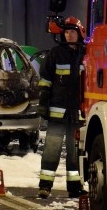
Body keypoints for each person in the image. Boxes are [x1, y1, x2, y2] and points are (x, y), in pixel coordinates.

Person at [36, 16, 86, 199]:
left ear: (79, 33)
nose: (69, 35)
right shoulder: (55, 54)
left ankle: (74, 188)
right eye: (66, 32)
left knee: (75, 151)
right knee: (51, 149)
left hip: (77, 114)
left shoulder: (87, 53)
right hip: (57, 111)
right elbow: (46, 81)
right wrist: (43, 104)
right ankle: (45, 186)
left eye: (73, 32)